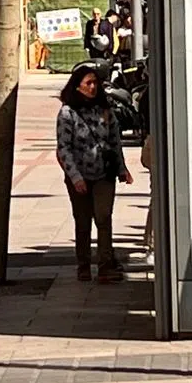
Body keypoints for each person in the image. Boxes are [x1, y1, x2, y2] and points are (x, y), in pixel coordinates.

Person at [55, 63, 133, 283]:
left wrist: (122, 168)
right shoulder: (67, 113)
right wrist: (75, 178)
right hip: (78, 175)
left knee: (104, 217)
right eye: (88, 83)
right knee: (82, 221)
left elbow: (114, 142)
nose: (92, 87)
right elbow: (64, 148)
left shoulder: (106, 110)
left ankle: (106, 265)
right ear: (77, 86)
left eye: (95, 83)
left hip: (104, 174)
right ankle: (83, 265)